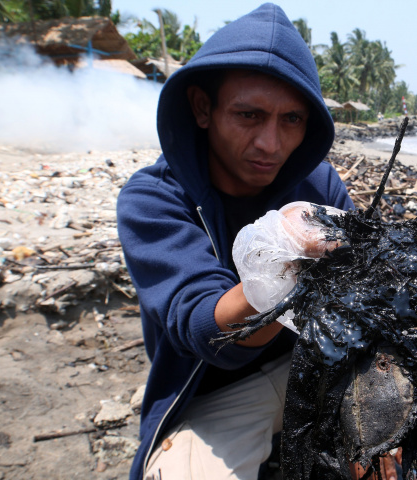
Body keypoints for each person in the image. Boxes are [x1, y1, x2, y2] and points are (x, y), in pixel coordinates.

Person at [116, 4, 356, 479]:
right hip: (217, 394)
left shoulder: (319, 186)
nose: (271, 143)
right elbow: (207, 332)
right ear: (203, 108)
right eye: (249, 115)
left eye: (292, 119)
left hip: (312, 369)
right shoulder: (152, 201)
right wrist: (281, 262)